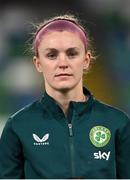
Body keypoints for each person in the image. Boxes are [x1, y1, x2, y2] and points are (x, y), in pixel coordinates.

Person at [0, 14, 130, 179]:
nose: (63, 63)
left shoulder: (117, 123)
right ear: (38, 63)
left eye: (72, 53)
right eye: (52, 55)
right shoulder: (18, 126)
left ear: (86, 60)